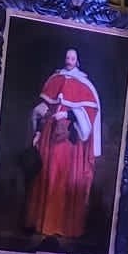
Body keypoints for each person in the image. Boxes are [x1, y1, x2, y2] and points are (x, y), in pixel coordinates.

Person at [21, 48, 101, 243]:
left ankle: (62, 225)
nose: (69, 60)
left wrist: (66, 114)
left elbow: (89, 114)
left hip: (69, 142)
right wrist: (39, 132)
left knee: (63, 179)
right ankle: (44, 224)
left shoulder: (85, 85)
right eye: (67, 57)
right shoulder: (54, 79)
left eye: (73, 57)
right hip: (50, 138)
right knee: (48, 177)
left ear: (77, 61)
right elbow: (44, 108)